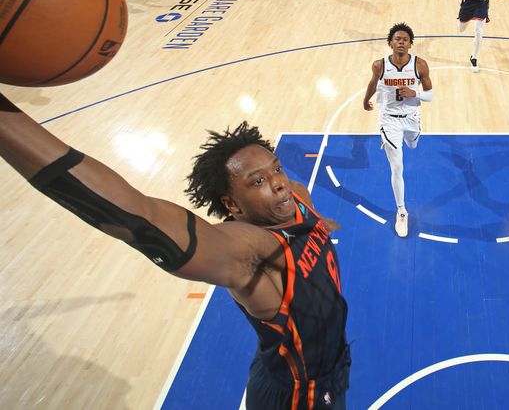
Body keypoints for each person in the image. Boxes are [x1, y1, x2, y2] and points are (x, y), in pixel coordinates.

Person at [0, 95, 350, 409]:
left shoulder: (298, 199)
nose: (278, 182)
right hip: (296, 396)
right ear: (232, 204)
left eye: (276, 168)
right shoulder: (249, 252)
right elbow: (139, 218)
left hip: (326, 365)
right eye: (257, 181)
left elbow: (301, 216)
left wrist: (322, 225)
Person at [362, 23, 434, 238]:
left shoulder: (420, 65)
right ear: (390, 43)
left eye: (405, 39)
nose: (401, 42)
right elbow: (373, 84)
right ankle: (401, 211)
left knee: (412, 144)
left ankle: (412, 137)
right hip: (389, 120)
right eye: (397, 39)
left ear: (410, 43)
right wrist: (366, 99)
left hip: (411, 118)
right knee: (397, 167)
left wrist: (415, 93)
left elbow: (430, 95)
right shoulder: (379, 66)